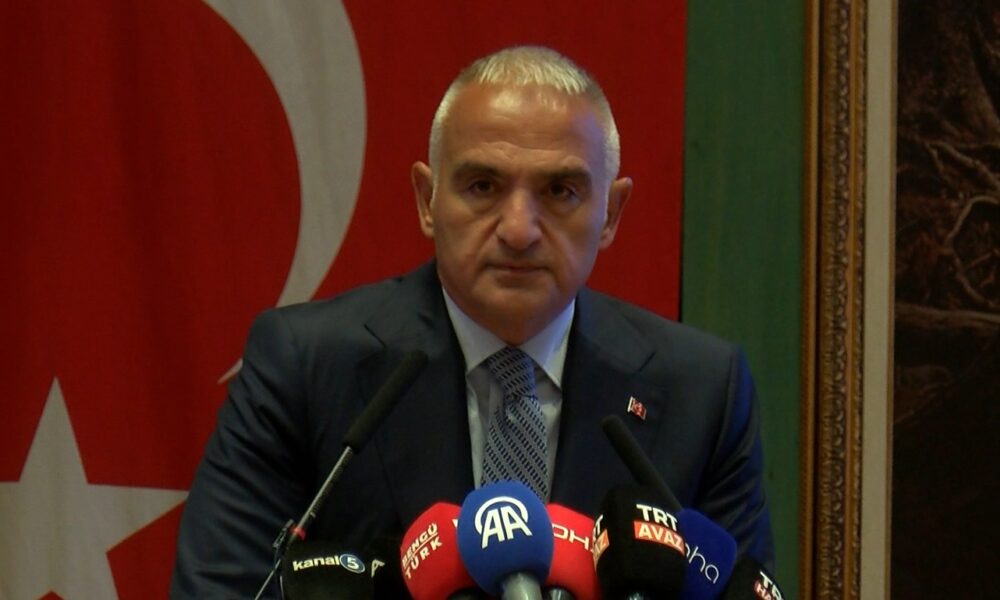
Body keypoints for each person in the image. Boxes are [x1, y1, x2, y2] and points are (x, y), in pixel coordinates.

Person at [170, 45, 773, 598]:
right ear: (426, 200)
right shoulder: (305, 366)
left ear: (611, 213)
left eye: (560, 191)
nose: (519, 229)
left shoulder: (702, 391)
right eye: (483, 186)